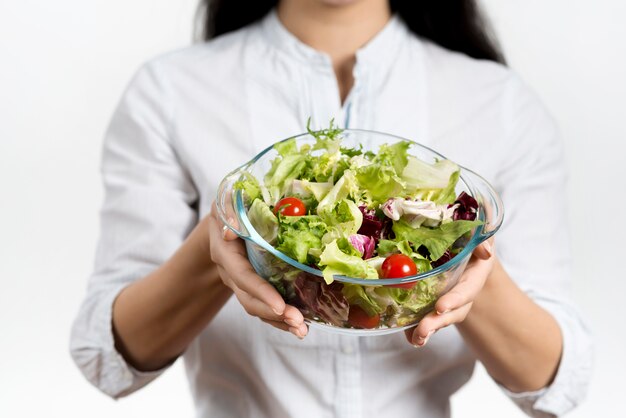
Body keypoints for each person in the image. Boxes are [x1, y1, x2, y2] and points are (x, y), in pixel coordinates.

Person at [70, 0, 592, 417]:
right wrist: (222, 243)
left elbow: (556, 379)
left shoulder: (499, 103)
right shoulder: (170, 92)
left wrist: (464, 261)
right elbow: (107, 357)